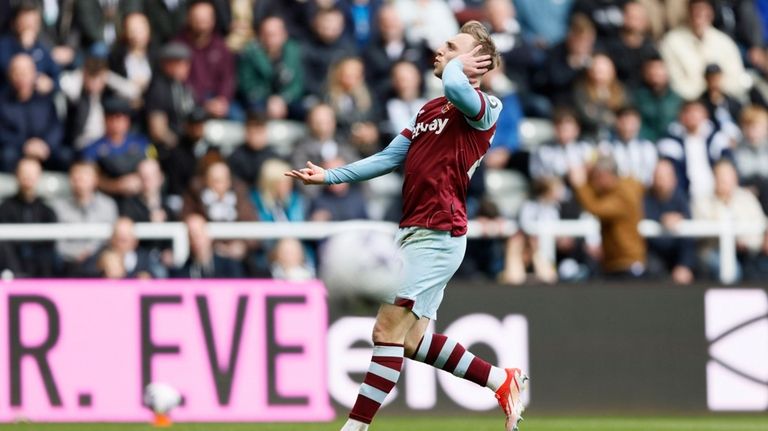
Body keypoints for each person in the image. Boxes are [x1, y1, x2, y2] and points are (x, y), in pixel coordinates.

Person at [286, 21, 527, 431]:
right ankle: (499, 380)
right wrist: (329, 176)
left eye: (451, 46)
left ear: (476, 64)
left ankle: (355, 428)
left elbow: (456, 86)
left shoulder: (486, 109)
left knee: (386, 331)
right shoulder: (429, 111)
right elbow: (387, 158)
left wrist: (462, 63)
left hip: (440, 231)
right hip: (415, 228)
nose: (440, 49)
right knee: (410, 341)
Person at [569, 155, 646, 278]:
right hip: (613, 263)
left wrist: (580, 185)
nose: (593, 182)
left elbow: (594, 207)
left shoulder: (623, 196)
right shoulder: (619, 188)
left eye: (595, 177)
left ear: (605, 175)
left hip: (626, 263)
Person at [51, 161, 119, 275]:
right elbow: (56, 242)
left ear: (95, 179)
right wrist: (75, 253)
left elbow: (111, 239)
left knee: (113, 260)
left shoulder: (108, 205)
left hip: (98, 258)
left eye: (85, 175)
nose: (80, 179)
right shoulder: (58, 207)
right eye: (76, 175)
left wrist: (90, 252)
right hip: (66, 261)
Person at [0, 53, 65, 172]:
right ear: (10, 75)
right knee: (7, 155)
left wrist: (46, 145)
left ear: (34, 73)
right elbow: (2, 134)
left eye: (25, 72)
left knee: (65, 156)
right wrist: (24, 145)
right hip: (16, 149)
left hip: (44, 149)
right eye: (17, 73)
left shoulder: (45, 100)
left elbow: (56, 128)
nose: (21, 77)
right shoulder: (3, 102)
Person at [0, 158, 57, 277]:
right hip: (11, 268)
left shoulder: (47, 211)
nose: (28, 177)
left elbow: (50, 246)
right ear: (16, 175)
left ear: (39, 176)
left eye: (31, 173)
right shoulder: (4, 208)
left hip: (41, 271)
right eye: (24, 173)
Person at [643, 159, 696, 284]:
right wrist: (662, 219)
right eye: (658, 177)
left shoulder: (681, 199)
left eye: (665, 177)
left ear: (674, 179)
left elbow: (689, 240)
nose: (661, 181)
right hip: (653, 257)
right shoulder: (645, 199)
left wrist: (685, 264)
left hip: (677, 257)